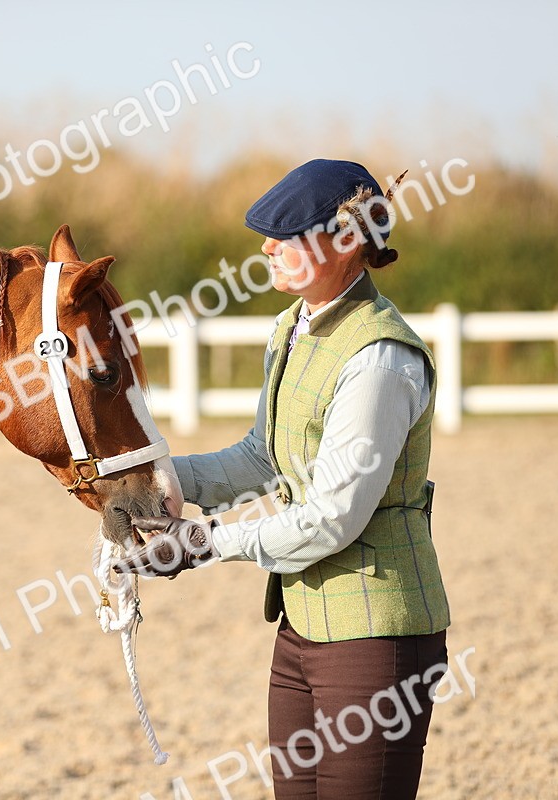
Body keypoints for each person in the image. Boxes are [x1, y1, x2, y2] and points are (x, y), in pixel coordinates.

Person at [115, 159, 450, 799]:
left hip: (375, 634)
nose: (266, 248)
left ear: (345, 243)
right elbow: (261, 458)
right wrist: (152, 484)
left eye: (287, 237)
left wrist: (204, 544)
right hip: (299, 630)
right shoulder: (291, 328)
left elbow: (332, 517)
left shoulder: (378, 358)